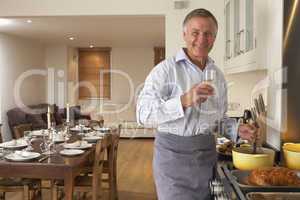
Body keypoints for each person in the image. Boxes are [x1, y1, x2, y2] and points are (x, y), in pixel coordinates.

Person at [136, 8, 256, 200]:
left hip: (207, 158)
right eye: (195, 33)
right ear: (184, 34)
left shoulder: (217, 76)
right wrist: (183, 101)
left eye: (208, 34)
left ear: (214, 38)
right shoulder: (165, 70)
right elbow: (143, 115)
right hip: (172, 161)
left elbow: (217, 120)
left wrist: (236, 129)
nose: (201, 39)